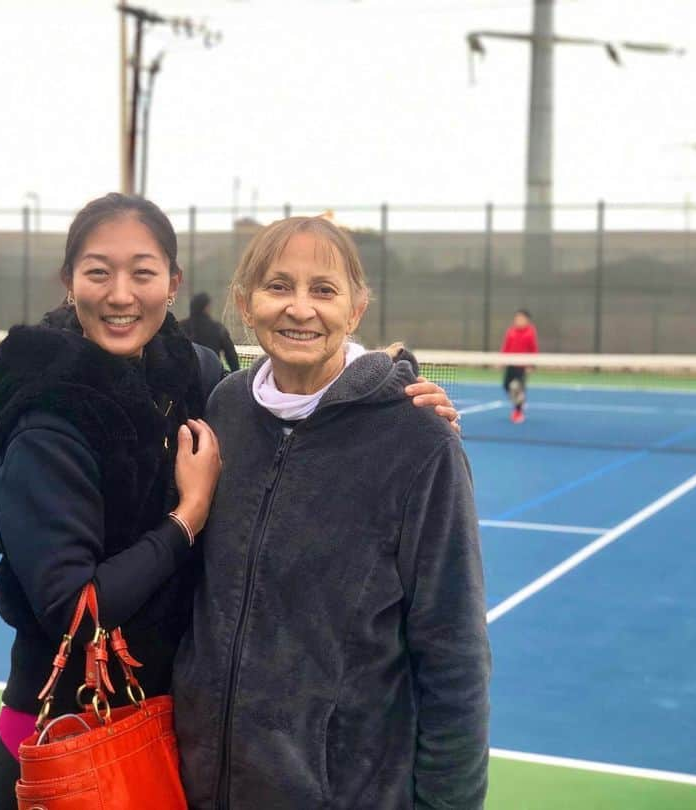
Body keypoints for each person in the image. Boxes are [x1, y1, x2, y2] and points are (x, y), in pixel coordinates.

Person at [0, 196, 460, 810]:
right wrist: (187, 518)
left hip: (166, 738)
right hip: (68, 739)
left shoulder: (198, 381)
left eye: (143, 272)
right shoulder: (46, 423)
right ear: (69, 282)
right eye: (98, 271)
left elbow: (297, 381)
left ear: (172, 284)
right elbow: (73, 610)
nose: (121, 294)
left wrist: (392, 393)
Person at [172, 216, 491, 809]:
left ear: (357, 309)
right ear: (246, 303)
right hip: (202, 785)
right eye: (278, 286)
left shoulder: (420, 440)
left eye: (324, 289)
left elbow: (455, 653)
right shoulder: (224, 409)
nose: (300, 308)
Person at [180, 291, 241, 373]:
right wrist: (236, 374)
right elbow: (231, 356)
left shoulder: (180, 327)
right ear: (206, 307)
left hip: (186, 376)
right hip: (212, 377)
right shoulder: (218, 329)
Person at [500, 308, 538, 424]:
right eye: (517, 318)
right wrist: (501, 360)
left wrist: (531, 364)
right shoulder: (511, 331)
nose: (518, 320)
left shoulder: (530, 332)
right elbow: (506, 347)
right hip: (510, 364)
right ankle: (520, 400)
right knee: (506, 386)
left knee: (517, 387)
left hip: (522, 366)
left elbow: (533, 349)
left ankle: (518, 412)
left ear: (527, 320)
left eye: (521, 318)